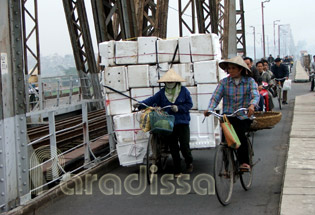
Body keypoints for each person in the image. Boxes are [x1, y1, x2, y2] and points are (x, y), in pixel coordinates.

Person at [204, 56, 260, 171]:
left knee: (239, 135)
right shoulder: (224, 82)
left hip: (243, 115)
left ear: (240, 69)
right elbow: (215, 97)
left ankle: (244, 162)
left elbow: (255, 95)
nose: (231, 70)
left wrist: (252, 105)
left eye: (233, 68)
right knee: (225, 139)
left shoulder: (250, 81)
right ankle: (227, 162)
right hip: (228, 115)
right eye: (229, 68)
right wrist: (210, 109)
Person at [135, 68, 193, 177]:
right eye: (168, 82)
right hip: (168, 124)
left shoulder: (184, 91)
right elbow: (150, 101)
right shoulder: (161, 93)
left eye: (172, 81)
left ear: (176, 82)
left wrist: (179, 108)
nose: (170, 83)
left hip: (182, 122)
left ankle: (189, 161)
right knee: (173, 147)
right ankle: (177, 170)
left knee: (185, 146)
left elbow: (189, 104)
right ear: (165, 83)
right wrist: (140, 104)